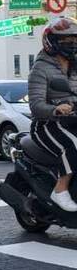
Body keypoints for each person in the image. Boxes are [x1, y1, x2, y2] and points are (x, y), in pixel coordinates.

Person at [28, 17, 77, 212]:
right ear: (52, 42)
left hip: (73, 121)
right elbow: (35, 104)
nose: (71, 44)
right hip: (47, 124)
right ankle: (60, 190)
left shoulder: (75, 65)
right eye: (66, 40)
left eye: (74, 40)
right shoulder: (41, 68)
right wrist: (55, 109)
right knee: (73, 144)